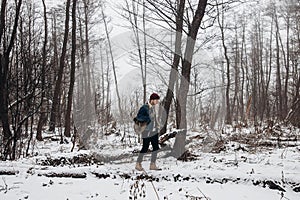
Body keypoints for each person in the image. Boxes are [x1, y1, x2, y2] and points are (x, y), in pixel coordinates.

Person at [134, 93, 161, 171]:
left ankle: (152, 165)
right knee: (145, 147)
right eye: (156, 100)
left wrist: (157, 126)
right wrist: (148, 119)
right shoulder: (144, 107)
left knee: (156, 147)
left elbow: (154, 119)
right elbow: (139, 117)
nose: (157, 102)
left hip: (154, 131)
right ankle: (138, 164)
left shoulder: (152, 108)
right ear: (152, 100)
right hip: (147, 131)